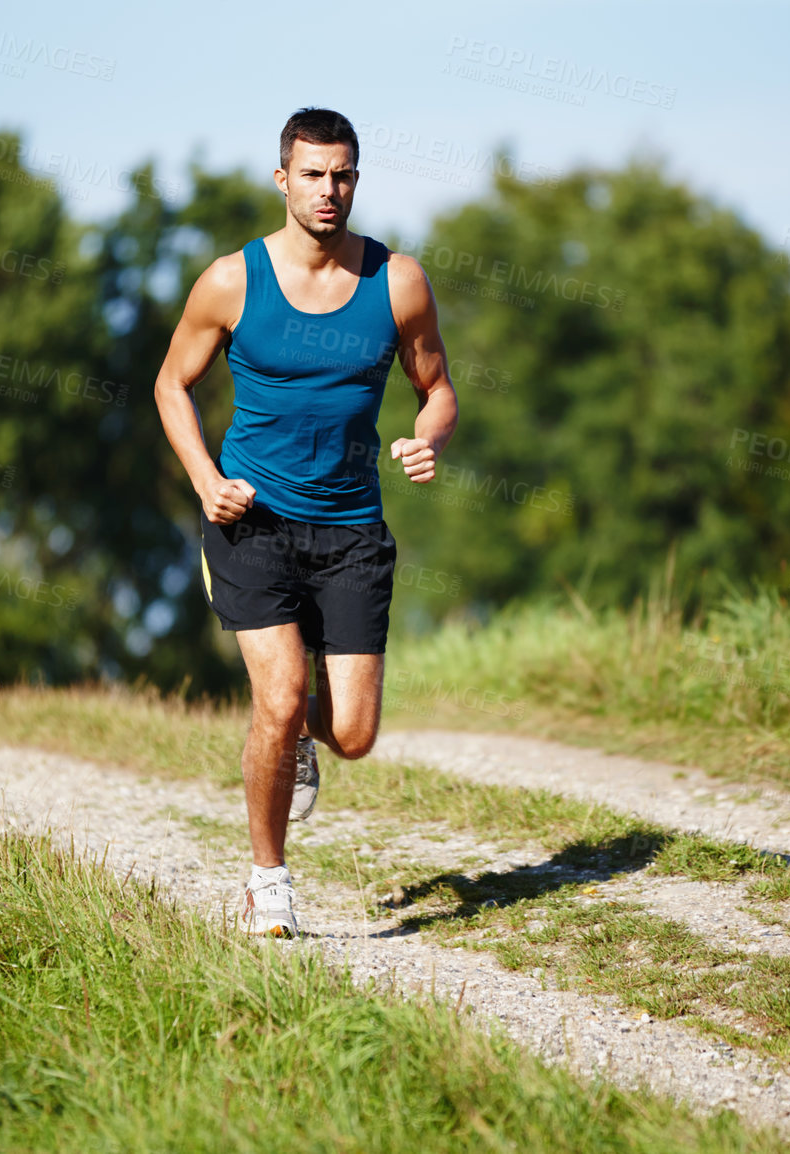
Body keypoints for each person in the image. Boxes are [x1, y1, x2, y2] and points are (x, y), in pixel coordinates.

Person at [153, 107, 458, 938]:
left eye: (345, 174)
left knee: (352, 732)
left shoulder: (397, 282)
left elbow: (437, 389)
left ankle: (300, 738)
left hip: (353, 529)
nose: (331, 190)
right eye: (315, 174)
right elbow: (169, 385)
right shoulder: (231, 281)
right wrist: (205, 480)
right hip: (253, 521)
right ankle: (268, 879)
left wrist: (427, 438)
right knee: (280, 696)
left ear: (358, 178)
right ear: (282, 179)